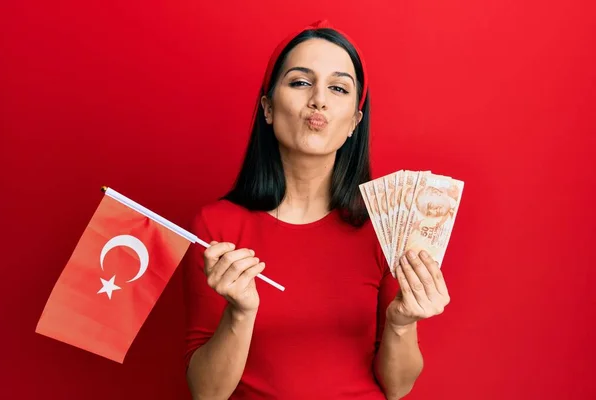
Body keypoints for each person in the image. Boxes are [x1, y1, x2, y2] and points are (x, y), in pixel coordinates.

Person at [182, 20, 451, 400]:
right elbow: (206, 394)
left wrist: (402, 324)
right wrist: (238, 315)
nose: (319, 100)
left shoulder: (386, 227)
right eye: (300, 82)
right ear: (268, 108)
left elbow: (398, 387)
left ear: (354, 123)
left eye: (338, 88)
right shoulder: (216, 227)